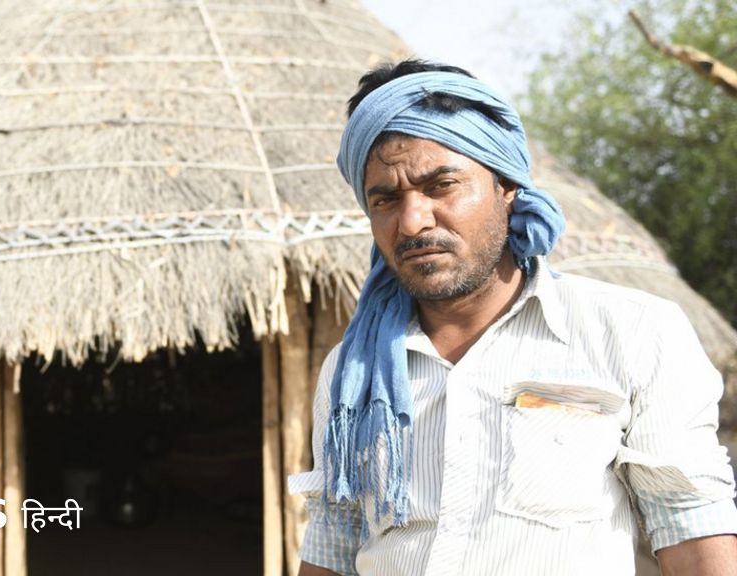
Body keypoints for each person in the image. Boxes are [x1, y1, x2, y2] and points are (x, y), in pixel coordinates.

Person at [289, 59, 737, 576]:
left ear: (506, 186)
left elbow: (688, 520)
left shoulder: (632, 332)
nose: (412, 222)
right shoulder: (353, 372)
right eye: (386, 199)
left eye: (442, 185)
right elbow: (334, 541)